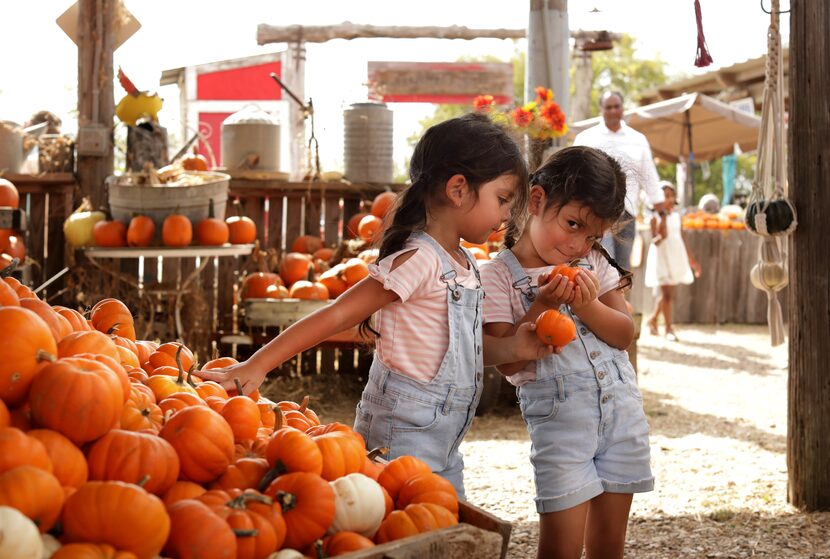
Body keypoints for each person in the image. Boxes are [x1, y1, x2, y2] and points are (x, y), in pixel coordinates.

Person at [200, 113, 554, 498]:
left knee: (444, 525)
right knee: (406, 526)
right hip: (401, 435)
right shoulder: (419, 258)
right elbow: (337, 313)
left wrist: (516, 347)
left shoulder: (466, 264)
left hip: (447, 441)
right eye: (502, 199)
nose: (506, 215)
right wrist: (257, 364)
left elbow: (461, 354)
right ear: (458, 189)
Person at [480, 146, 653, 559]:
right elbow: (510, 360)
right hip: (563, 430)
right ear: (537, 200)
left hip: (622, 420)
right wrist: (543, 305)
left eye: (592, 235)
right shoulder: (497, 276)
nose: (579, 244)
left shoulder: (594, 263)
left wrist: (586, 304)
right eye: (572, 224)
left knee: (609, 547)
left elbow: (623, 334)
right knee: (560, 549)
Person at [572, 91, 665, 270]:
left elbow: (649, 176)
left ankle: (620, 298)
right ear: (601, 110)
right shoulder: (586, 138)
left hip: (627, 213)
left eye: (617, 106)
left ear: (623, 109)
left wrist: (662, 214)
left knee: (622, 269)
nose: (613, 111)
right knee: (600, 265)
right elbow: (575, 175)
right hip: (595, 211)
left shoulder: (637, 139)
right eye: (609, 107)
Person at [645, 182, 701, 341]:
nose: (668, 199)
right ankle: (669, 328)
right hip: (662, 257)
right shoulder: (654, 218)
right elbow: (654, 241)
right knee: (667, 294)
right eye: (664, 196)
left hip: (676, 256)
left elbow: (682, 238)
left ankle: (653, 320)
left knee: (668, 293)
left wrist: (692, 261)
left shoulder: (677, 217)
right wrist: (661, 236)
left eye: (670, 195)